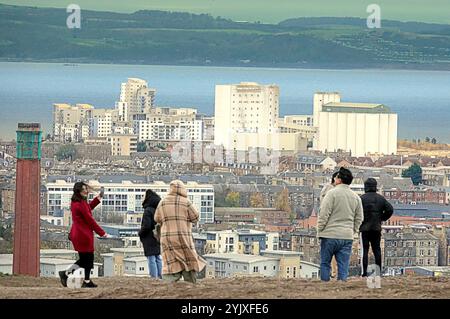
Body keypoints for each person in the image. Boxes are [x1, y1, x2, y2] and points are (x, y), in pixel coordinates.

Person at [155, 180, 206, 283]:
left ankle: (169, 281)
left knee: (170, 259)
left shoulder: (162, 202)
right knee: (187, 257)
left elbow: (157, 218)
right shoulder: (186, 202)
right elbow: (195, 217)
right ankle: (190, 281)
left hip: (167, 237)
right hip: (182, 236)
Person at [318, 167, 363, 281]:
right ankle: (342, 288)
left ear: (339, 179)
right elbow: (359, 217)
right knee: (343, 266)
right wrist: (353, 231)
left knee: (325, 263)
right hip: (347, 236)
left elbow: (324, 214)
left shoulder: (331, 194)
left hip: (329, 234)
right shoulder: (356, 197)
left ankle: (324, 287)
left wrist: (320, 230)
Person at [59, 182, 107, 288]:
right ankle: (67, 275)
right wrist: (102, 232)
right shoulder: (80, 204)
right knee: (86, 260)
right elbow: (90, 219)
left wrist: (98, 198)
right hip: (83, 235)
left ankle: (84, 280)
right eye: (84, 189)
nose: (86, 190)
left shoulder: (77, 202)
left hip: (80, 234)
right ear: (79, 191)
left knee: (86, 259)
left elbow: (88, 209)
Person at [360, 178, 394, 277]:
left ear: (365, 187)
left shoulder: (361, 199)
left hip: (364, 228)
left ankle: (364, 273)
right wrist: (381, 218)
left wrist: (359, 222)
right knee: (377, 250)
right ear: (375, 187)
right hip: (376, 227)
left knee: (364, 251)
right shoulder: (380, 198)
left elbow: (356, 212)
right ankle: (378, 272)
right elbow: (390, 210)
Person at [139, 189, 163, 279]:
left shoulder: (148, 210)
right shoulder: (157, 209)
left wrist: (140, 233)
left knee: (151, 258)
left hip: (149, 237)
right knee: (157, 257)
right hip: (157, 236)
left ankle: (154, 277)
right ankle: (160, 276)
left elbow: (146, 226)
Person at [319, 171, 339, 277]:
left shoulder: (326, 189)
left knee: (327, 250)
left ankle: (329, 273)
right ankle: (334, 272)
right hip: (333, 223)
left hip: (327, 224)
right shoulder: (332, 191)